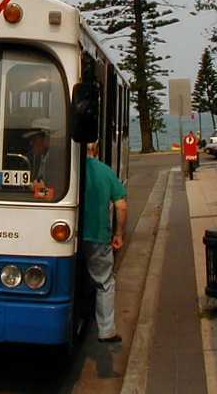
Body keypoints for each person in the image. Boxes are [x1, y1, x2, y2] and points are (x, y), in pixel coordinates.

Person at [83, 141, 128, 343]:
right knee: (105, 282)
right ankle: (106, 330)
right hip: (99, 236)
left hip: (73, 236)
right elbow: (121, 206)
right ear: (97, 150)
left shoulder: (68, 170)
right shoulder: (106, 171)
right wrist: (118, 234)